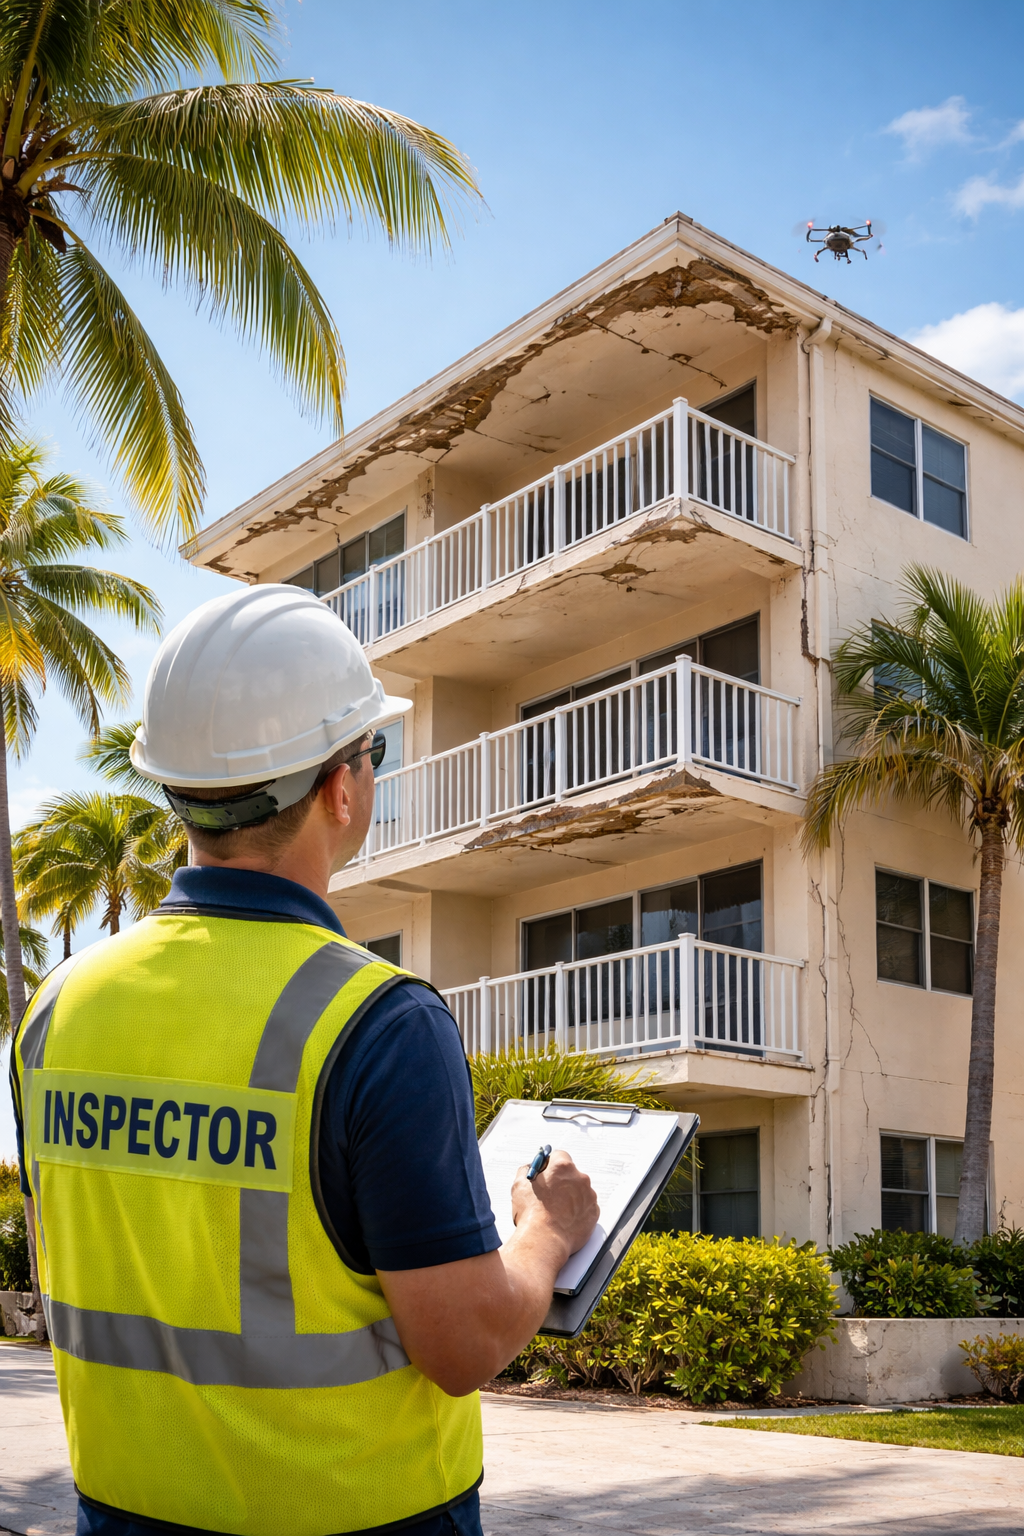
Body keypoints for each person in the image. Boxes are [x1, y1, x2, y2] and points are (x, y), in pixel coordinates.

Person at [10, 585, 598, 1536]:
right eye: (374, 750)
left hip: (121, 1510)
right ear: (341, 787)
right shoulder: (379, 1023)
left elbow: (66, 1258)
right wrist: (549, 1231)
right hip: (363, 1515)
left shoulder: (55, 1011)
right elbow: (463, 1343)